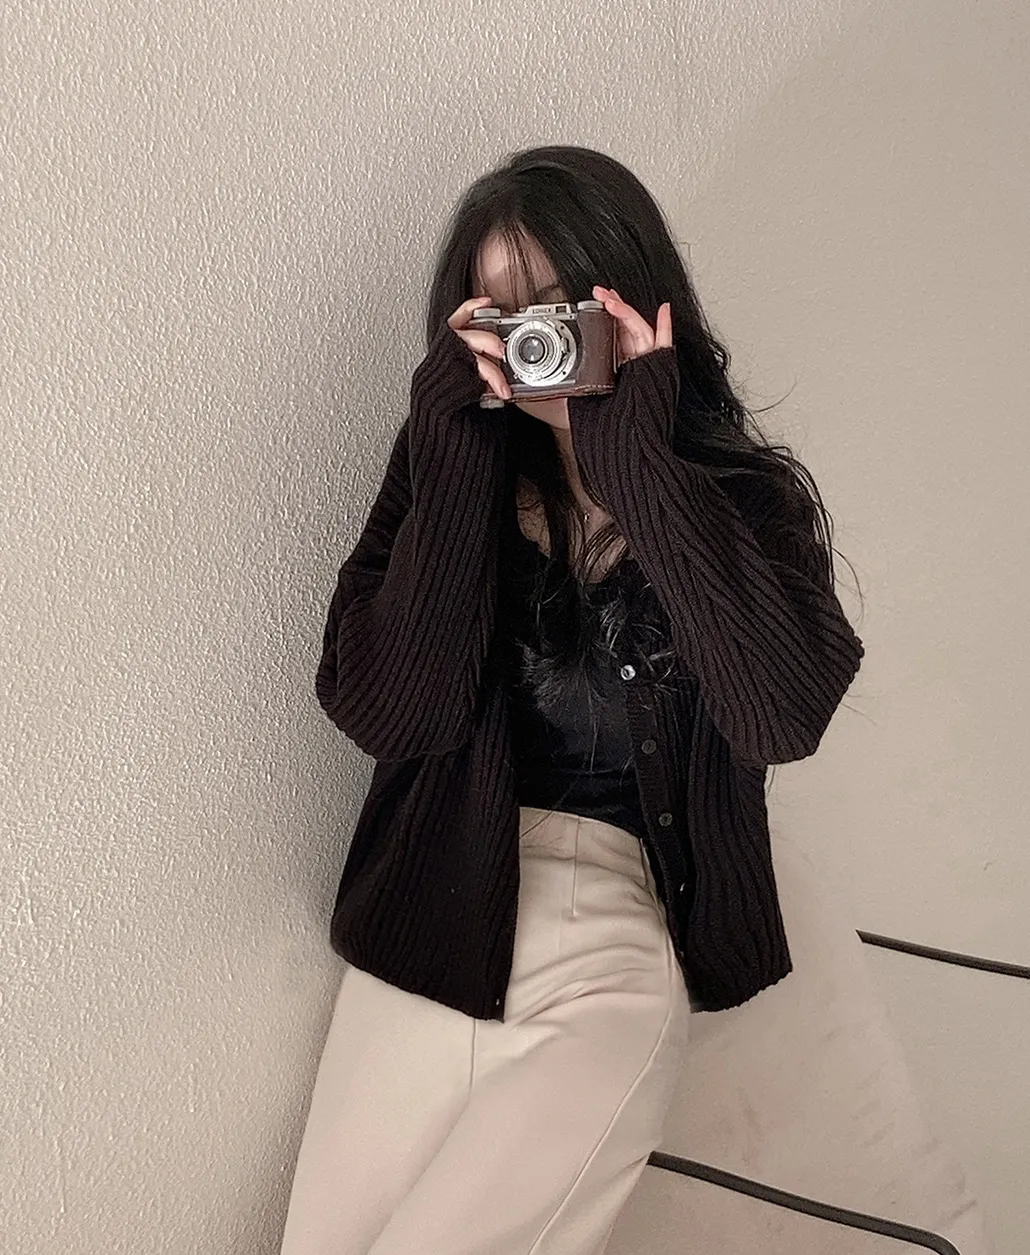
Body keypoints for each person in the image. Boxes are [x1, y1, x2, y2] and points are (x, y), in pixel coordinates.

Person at [279, 145, 865, 1255]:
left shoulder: (744, 496)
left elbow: (783, 715)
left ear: (633, 296)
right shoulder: (445, 468)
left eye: (556, 305)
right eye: (498, 312)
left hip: (609, 941)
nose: (532, 339)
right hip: (430, 920)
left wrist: (636, 460)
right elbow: (394, 717)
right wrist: (451, 449)